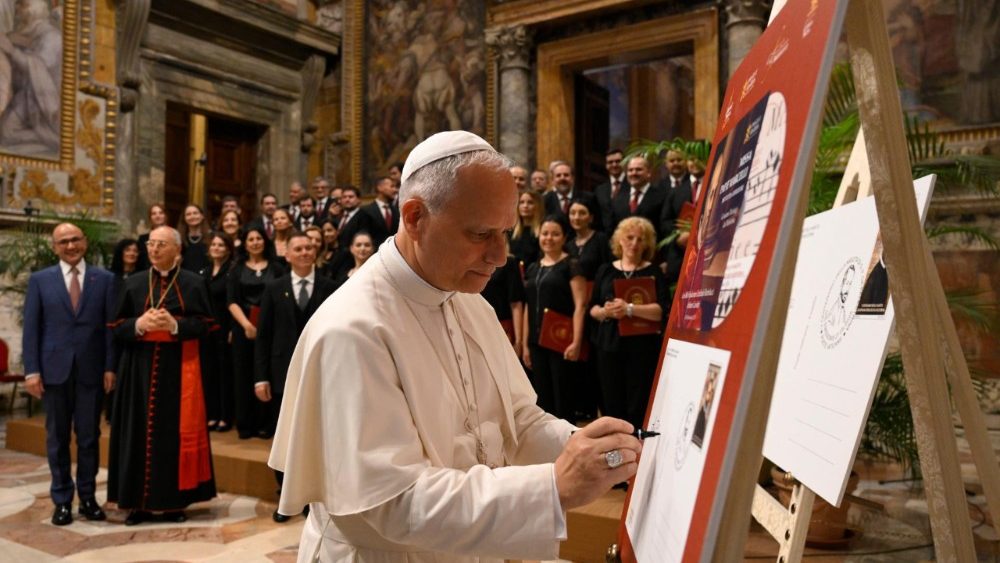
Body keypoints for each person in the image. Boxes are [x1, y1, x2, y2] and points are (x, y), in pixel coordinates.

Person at [269, 131, 641, 562]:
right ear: (415, 217)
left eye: (506, 232)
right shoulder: (352, 330)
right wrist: (553, 486)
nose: (501, 256)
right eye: (481, 234)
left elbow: (516, 420)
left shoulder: (468, 301)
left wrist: (589, 447)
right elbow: (390, 502)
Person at [108, 226, 216, 526]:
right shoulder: (134, 283)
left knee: (171, 436)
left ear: (176, 250)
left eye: (161, 244)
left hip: (178, 371)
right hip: (137, 372)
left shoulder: (194, 283)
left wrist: (175, 325)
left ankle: (173, 503)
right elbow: (116, 327)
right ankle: (136, 504)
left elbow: (207, 325)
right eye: (151, 244)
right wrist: (140, 324)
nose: (154, 249)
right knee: (136, 434)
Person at [22, 223, 117, 526]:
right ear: (55, 247)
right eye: (64, 241)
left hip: (91, 370)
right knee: (57, 438)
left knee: (89, 437)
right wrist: (31, 371)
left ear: (85, 242)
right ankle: (62, 499)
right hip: (53, 372)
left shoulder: (105, 279)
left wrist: (110, 366)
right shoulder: (40, 281)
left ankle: (88, 497)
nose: (70, 245)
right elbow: (32, 329)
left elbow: (110, 329)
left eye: (75, 239)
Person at [254, 233, 337, 523]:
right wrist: (260, 377)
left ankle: (310, 496)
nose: (304, 252)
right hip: (280, 373)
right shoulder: (274, 288)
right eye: (298, 248)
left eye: (308, 248)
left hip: (320, 374)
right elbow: (263, 336)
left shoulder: (330, 287)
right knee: (286, 434)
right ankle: (285, 496)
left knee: (315, 435)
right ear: (287, 255)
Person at [589, 217, 668, 429]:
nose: (634, 243)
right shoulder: (605, 270)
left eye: (640, 239)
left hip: (642, 349)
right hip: (608, 347)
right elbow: (593, 309)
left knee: (638, 404)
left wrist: (630, 309)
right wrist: (606, 311)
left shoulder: (653, 271)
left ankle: (636, 451)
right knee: (611, 402)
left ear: (647, 244)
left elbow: (661, 312)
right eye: (630, 237)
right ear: (620, 241)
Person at [523, 215, 588, 422]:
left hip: (561, 341)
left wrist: (577, 342)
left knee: (564, 397)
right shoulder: (533, 267)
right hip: (536, 342)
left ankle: (570, 444)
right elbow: (527, 306)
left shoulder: (572, 265)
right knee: (542, 398)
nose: (549, 238)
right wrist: (524, 344)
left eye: (555, 234)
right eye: (545, 233)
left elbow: (581, 306)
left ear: (564, 238)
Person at [227, 226, 285, 439]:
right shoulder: (236, 269)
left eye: (258, 238)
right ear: (244, 243)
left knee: (268, 375)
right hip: (244, 329)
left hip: (271, 330)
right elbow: (231, 301)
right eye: (250, 239)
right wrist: (247, 326)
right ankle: (246, 424)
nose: (254, 242)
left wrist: (263, 328)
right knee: (243, 376)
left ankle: (267, 424)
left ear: (265, 241)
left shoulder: (278, 268)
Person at [566, 199, 610, 421]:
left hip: (595, 305)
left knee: (596, 363)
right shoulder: (568, 243)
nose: (576, 217)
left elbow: (608, 271)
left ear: (591, 217)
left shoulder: (601, 240)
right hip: (575, 307)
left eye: (581, 212)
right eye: (572, 213)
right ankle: (583, 411)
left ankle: (599, 414)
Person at [202, 232, 236, 433]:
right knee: (209, 373)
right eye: (213, 244)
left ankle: (225, 416)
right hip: (207, 329)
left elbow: (232, 301)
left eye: (221, 245)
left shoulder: (231, 271)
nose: (216, 248)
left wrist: (232, 328)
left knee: (225, 374)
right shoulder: (204, 272)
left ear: (228, 249)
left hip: (225, 328)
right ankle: (212, 414)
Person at [611, 155, 665, 240]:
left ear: (648, 173)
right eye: (630, 170)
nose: (634, 173)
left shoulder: (662, 197)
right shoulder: (618, 199)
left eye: (638, 169)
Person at [543, 162, 600, 230]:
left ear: (573, 178)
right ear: (552, 180)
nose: (562, 178)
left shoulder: (588, 198)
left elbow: (596, 225)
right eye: (558, 175)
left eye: (566, 175)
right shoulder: (544, 200)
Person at [347, 176, 399, 248]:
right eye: (392, 186)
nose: (395, 190)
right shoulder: (366, 211)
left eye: (396, 187)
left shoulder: (397, 211)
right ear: (380, 188)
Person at [594, 149, 628, 235]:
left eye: (618, 161)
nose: (614, 165)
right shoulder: (599, 190)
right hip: (605, 239)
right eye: (610, 162)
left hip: (626, 235)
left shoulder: (633, 186)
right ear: (606, 165)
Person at [509, 189, 542, 269]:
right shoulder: (511, 231)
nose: (525, 206)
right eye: (522, 202)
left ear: (537, 206)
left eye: (530, 202)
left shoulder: (542, 231)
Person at [178, 203, 211, 274]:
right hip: (186, 279)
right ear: (184, 218)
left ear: (202, 216)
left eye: (195, 213)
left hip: (206, 279)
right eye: (188, 214)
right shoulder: (179, 239)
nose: (192, 216)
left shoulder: (212, 237)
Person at [137, 203, 168, 270]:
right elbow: (141, 262)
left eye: (161, 213)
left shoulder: (173, 237)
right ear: (150, 217)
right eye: (154, 214)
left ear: (165, 216)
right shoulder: (143, 239)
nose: (158, 216)